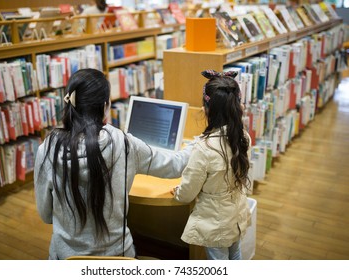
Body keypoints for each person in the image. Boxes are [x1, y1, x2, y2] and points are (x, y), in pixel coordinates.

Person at [34, 68, 193, 260]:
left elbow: (45, 215)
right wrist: (197, 144)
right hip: (118, 259)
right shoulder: (124, 143)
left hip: (66, 259)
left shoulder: (48, 149)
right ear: (105, 106)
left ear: (70, 102)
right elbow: (174, 166)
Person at [171, 69, 251, 260]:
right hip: (236, 215)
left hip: (215, 223)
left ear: (207, 109)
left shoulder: (204, 148)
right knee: (235, 254)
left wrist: (178, 192)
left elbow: (188, 192)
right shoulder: (242, 137)